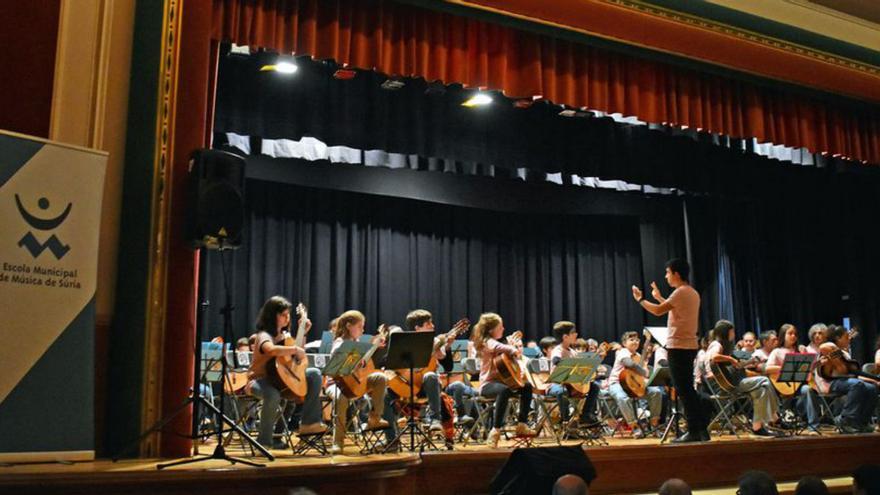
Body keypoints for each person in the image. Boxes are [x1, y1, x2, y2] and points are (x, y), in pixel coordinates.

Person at [632, 258, 707, 442]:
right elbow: (675, 310)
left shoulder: (680, 292)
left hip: (679, 346)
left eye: (667, 272)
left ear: (676, 274)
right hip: (689, 346)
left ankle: (694, 430)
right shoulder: (691, 292)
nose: (666, 276)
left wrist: (641, 299)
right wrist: (658, 297)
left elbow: (659, 311)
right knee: (687, 389)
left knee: (684, 390)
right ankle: (701, 429)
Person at [246, 296, 326, 449]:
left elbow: (297, 357)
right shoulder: (263, 335)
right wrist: (295, 348)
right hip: (259, 380)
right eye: (283, 314)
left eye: (288, 314)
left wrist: (303, 333)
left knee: (314, 373)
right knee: (273, 394)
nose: (287, 317)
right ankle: (264, 441)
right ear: (272, 315)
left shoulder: (286, 337)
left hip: (282, 380)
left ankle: (309, 423)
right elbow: (271, 349)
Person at [325, 310, 390, 454]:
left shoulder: (358, 343)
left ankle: (375, 418)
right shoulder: (339, 343)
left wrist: (374, 348)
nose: (363, 329)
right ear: (349, 326)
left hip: (356, 383)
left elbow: (362, 364)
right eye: (360, 326)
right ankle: (338, 442)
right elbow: (337, 369)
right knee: (341, 398)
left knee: (381, 378)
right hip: (336, 385)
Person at [705, 320, 780, 437]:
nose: (734, 333)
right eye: (732, 331)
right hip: (723, 386)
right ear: (726, 332)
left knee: (760, 390)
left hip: (731, 382)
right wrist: (731, 360)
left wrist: (743, 364)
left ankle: (757, 427)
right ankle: (775, 417)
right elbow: (714, 357)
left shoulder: (726, 347)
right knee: (764, 380)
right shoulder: (717, 344)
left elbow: (732, 367)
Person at [472, 312, 535, 447]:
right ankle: (495, 430)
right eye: (500, 327)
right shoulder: (487, 342)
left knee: (527, 386)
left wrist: (511, 347)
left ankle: (522, 424)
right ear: (491, 330)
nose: (503, 329)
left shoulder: (495, 342)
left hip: (503, 383)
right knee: (504, 390)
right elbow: (499, 347)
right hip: (488, 385)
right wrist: (512, 348)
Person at [816, 325, 877, 433]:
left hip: (844, 382)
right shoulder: (831, 346)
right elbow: (824, 348)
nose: (849, 338)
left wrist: (874, 380)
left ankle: (862, 422)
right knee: (857, 385)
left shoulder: (845, 353)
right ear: (838, 338)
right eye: (846, 337)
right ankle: (845, 419)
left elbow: (852, 374)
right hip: (829, 383)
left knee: (871, 388)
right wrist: (838, 359)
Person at [764, 324, 820, 432]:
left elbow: (809, 369)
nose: (793, 336)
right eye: (790, 333)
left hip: (799, 385)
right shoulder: (777, 351)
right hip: (783, 386)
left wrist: (806, 355)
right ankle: (790, 418)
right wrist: (785, 367)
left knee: (808, 390)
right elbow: (767, 369)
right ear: (783, 335)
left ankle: (813, 426)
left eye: (795, 334)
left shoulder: (800, 350)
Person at [607, 331, 664, 436]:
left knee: (656, 392)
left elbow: (639, 374)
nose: (635, 342)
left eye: (637, 340)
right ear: (624, 343)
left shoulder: (637, 355)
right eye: (631, 339)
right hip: (617, 384)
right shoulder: (623, 352)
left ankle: (654, 424)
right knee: (623, 398)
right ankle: (634, 427)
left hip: (633, 385)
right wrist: (643, 372)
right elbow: (629, 364)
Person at [547, 321, 600, 427]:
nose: (576, 334)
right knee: (562, 391)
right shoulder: (557, 350)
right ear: (565, 337)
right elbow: (555, 360)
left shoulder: (573, 351)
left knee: (594, 386)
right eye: (573, 333)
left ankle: (585, 414)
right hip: (557, 384)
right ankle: (565, 421)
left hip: (572, 384)